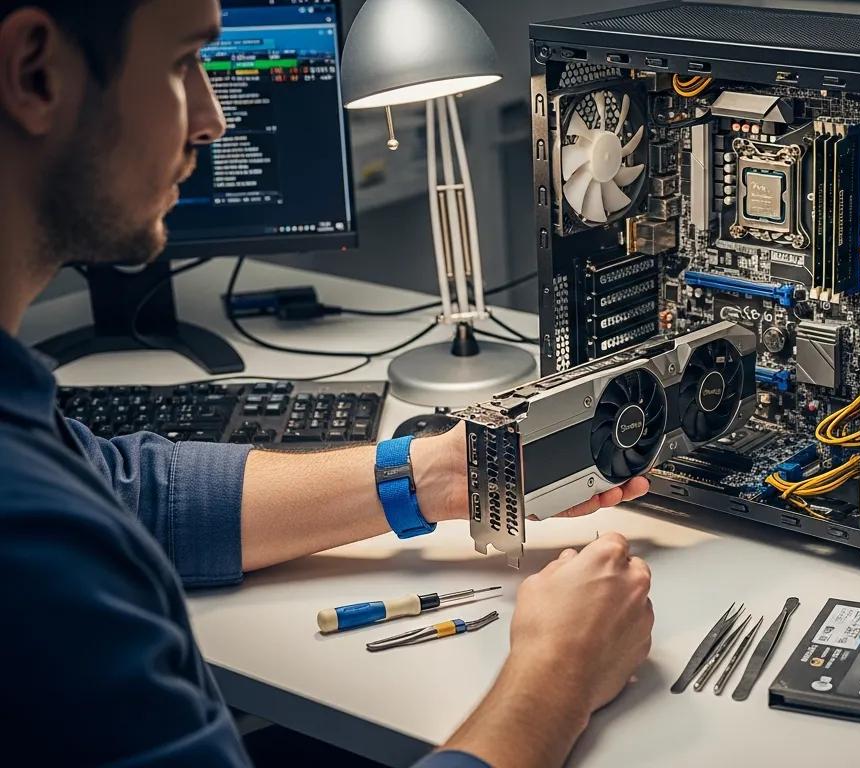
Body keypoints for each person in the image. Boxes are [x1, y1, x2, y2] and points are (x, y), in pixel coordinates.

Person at [0, 1, 655, 766]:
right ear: (34, 73)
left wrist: (446, 474)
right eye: (184, 62)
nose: (212, 117)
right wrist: (558, 676)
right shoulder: (33, 541)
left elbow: (134, 493)